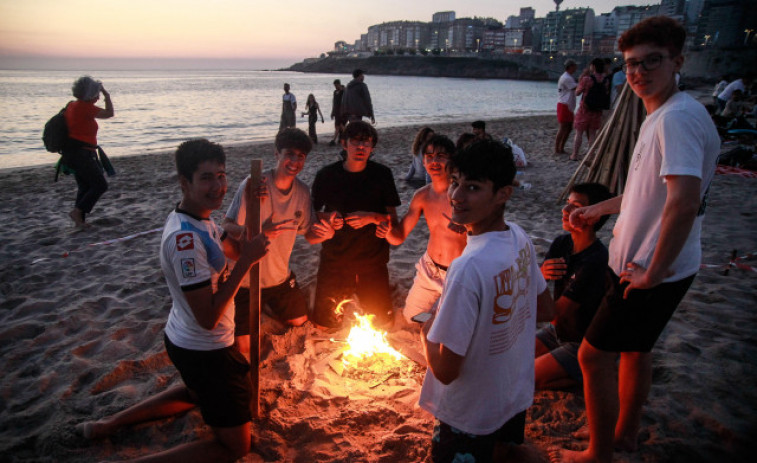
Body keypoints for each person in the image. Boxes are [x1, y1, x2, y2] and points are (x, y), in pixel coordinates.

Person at [551, 16, 720, 463]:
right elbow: (649, 191)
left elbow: (682, 202)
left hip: (647, 269)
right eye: (632, 64)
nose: (640, 72)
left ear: (677, 61)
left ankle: (599, 453)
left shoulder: (676, 119)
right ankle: (624, 436)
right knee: (634, 350)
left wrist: (653, 271)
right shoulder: (664, 113)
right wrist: (597, 209)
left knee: (591, 357)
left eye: (652, 61)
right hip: (656, 265)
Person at [77, 139, 270, 462]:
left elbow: (235, 251)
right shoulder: (185, 239)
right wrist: (248, 262)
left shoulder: (202, 218)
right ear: (185, 183)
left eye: (221, 176)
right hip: (206, 350)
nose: (218, 185)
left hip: (184, 339)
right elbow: (207, 316)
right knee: (236, 446)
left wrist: (252, 209)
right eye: (207, 177)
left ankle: (106, 424)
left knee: (196, 393)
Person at [418, 139, 554, 463]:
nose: (456, 196)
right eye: (455, 183)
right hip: (510, 395)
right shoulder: (519, 237)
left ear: (503, 194)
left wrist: (425, 334)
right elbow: (545, 309)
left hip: (469, 413)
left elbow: (447, 371)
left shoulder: (468, 268)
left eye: (473, 187)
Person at [223, 128, 330, 361]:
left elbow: (309, 234)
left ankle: (269, 306)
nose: (294, 161)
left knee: (300, 322)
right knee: (243, 347)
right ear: (276, 154)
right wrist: (258, 233)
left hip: (279, 278)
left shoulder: (302, 191)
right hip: (245, 282)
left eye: (300, 156)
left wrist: (328, 231)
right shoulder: (255, 183)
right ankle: (259, 306)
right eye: (289, 154)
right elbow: (227, 225)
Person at [311, 121, 400, 329]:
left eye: (367, 143)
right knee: (325, 324)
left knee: (381, 323)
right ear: (344, 144)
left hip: (372, 260)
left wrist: (371, 217)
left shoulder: (382, 174)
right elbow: (313, 217)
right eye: (356, 141)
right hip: (335, 259)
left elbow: (392, 220)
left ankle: (383, 290)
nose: (361, 147)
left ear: (372, 148)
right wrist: (330, 218)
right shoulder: (326, 175)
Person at [379, 135, 466, 324]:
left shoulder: (464, 194)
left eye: (441, 156)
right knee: (412, 318)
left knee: (452, 325)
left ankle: (439, 316)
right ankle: (435, 316)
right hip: (430, 269)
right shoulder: (422, 196)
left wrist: (467, 226)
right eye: (429, 156)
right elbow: (398, 238)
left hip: (460, 274)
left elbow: (490, 232)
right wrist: (385, 229)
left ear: (452, 159)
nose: (434, 161)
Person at [535, 183, 612, 391]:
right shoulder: (561, 243)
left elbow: (554, 314)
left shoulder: (595, 259)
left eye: (575, 207)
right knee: (511, 360)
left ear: (593, 215)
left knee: (528, 376)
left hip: (582, 342)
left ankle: (591, 374)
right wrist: (539, 275)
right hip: (557, 332)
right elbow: (535, 289)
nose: (565, 210)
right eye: (567, 204)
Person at [62, 75, 114, 229]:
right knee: (100, 185)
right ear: (90, 93)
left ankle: (80, 222)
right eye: (96, 93)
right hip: (81, 154)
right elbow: (109, 113)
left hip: (72, 153)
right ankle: (77, 212)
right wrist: (107, 95)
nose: (98, 96)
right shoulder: (84, 107)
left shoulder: (72, 105)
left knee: (85, 186)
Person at [571, 58, 607, 161]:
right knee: (592, 133)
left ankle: (575, 154)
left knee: (579, 132)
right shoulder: (605, 80)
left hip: (584, 109)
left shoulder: (587, 79)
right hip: (597, 110)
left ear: (594, 66)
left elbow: (577, 92)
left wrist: (581, 77)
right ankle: (591, 155)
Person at [555, 60, 579, 155]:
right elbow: (575, 88)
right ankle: (557, 148)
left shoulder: (568, 77)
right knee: (563, 127)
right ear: (570, 67)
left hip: (567, 105)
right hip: (564, 104)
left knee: (568, 127)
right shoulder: (566, 78)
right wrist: (583, 79)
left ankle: (561, 147)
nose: (576, 68)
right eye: (575, 66)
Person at [329, 79, 345, 146]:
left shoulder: (343, 91)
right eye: (334, 85)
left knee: (339, 125)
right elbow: (334, 102)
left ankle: (334, 140)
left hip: (341, 111)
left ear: (339, 84)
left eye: (336, 85)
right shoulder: (335, 92)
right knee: (339, 126)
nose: (335, 87)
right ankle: (338, 139)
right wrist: (332, 112)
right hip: (336, 111)